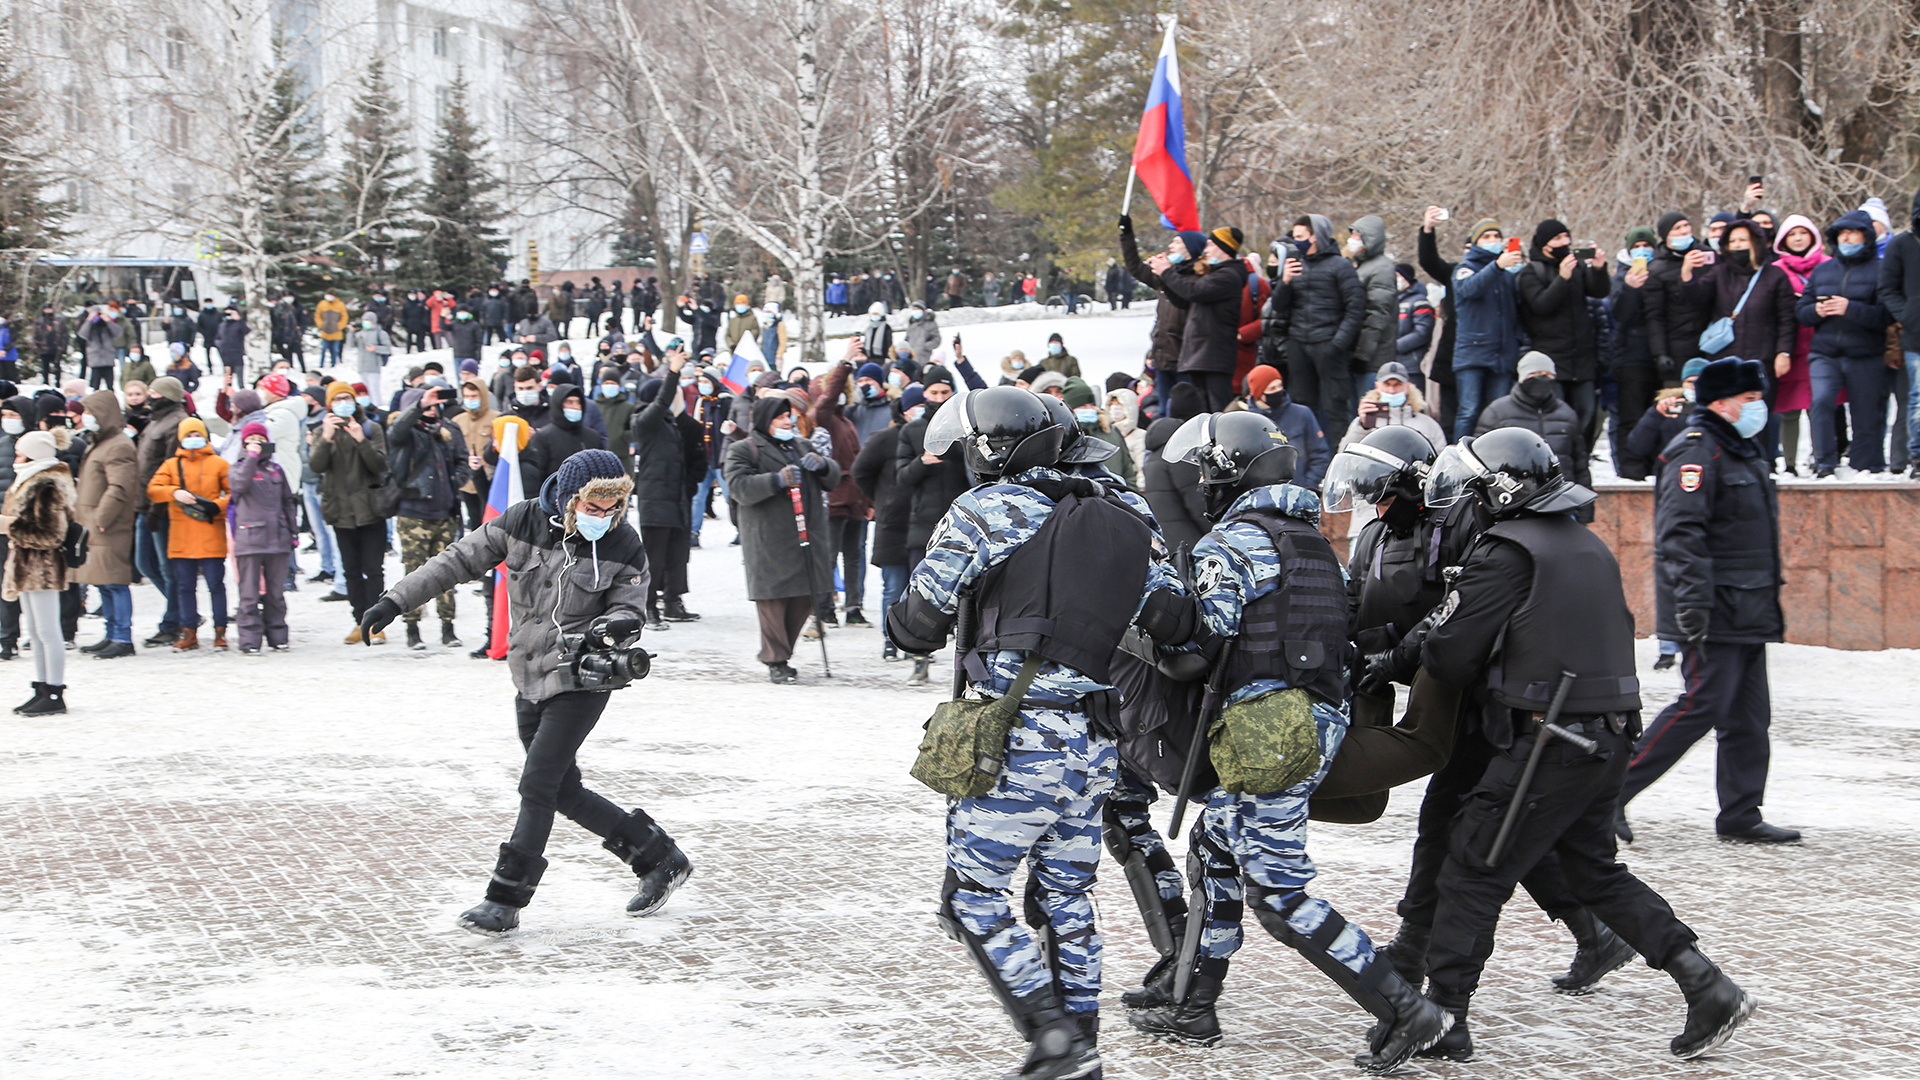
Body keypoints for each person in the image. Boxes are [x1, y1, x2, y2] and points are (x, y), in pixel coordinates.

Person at [1416, 427, 1755, 1062]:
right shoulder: (1585, 544)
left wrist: (1433, 632)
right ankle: (1706, 984)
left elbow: (1452, 657)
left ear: (1495, 490)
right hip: (1607, 738)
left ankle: (1443, 1018)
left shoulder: (1505, 552)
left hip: (1549, 740)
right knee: (1591, 871)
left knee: (1473, 866)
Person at [1130, 410, 1449, 1072]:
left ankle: (1404, 1011)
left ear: (1226, 474)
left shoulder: (1236, 544)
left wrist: (1151, 612)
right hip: (1313, 726)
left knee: (1279, 894)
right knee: (1215, 845)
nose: (1199, 485)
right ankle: (1194, 1001)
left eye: (1205, 472)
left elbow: (1196, 650)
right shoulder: (1311, 544)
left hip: (1267, 737)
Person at [887, 385, 1177, 1080]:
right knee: (1066, 897)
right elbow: (1176, 620)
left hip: (1019, 739)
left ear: (988, 449)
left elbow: (915, 623)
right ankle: (1084, 1042)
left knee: (973, 896)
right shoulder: (1128, 512)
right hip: (1097, 737)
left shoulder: (985, 510)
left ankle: (1054, 1040)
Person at [361, 448, 689, 931]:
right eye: (592, 508)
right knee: (563, 790)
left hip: (583, 677)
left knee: (537, 785)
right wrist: (395, 601)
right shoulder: (521, 522)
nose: (603, 518)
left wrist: (613, 627)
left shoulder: (623, 543)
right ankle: (659, 858)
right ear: (569, 499)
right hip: (529, 673)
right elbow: (456, 560)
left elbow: (630, 605)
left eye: (611, 509)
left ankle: (505, 899)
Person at [1617, 357, 1796, 845]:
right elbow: (1680, 535)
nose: (1760, 408)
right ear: (1720, 403)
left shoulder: (1742, 450)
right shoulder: (1696, 452)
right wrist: (1692, 604)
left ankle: (1741, 813)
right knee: (1700, 705)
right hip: (1711, 607)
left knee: (1749, 715)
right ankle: (1607, 792)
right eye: (1750, 400)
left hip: (1748, 607)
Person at [723, 392, 840, 683]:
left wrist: (824, 464)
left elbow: (833, 478)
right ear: (766, 420)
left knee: (805, 596)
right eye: (781, 417)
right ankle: (776, 659)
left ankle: (779, 651)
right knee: (773, 601)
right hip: (769, 539)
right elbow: (738, 487)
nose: (788, 421)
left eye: (789, 416)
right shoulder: (744, 449)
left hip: (806, 533)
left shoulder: (801, 445)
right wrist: (775, 480)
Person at [1798, 209, 1891, 475]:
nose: (1847, 239)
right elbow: (1802, 312)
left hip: (1866, 354)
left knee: (1865, 414)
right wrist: (1817, 311)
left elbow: (1885, 316)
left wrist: (1849, 308)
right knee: (1822, 402)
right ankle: (1825, 462)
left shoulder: (1881, 270)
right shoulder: (1823, 270)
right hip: (1825, 353)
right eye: (1842, 234)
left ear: (1866, 237)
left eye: (1853, 233)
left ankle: (1862, 466)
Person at [388, 386, 471, 650]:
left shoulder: (447, 431)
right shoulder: (406, 432)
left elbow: (463, 460)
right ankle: (412, 628)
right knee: (414, 574)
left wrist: (452, 482)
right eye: (427, 406)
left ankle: (448, 627)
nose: (432, 410)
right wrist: (419, 406)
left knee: (448, 573)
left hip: (445, 513)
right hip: (414, 515)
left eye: (435, 405)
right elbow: (396, 432)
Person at [1265, 216, 1366, 430]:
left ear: (1315, 236)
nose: (1296, 241)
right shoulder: (1294, 265)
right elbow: (1279, 306)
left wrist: (1337, 344)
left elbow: (1355, 308)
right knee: (1301, 406)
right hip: (1299, 344)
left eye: (1301, 236)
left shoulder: (1340, 266)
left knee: (1336, 407)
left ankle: (1338, 455)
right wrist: (1284, 282)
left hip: (1329, 344)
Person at [311, 382, 390, 644]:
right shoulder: (323, 431)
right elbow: (316, 466)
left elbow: (379, 464)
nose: (343, 403)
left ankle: (376, 623)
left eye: (347, 398)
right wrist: (325, 437)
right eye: (337, 399)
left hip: (370, 510)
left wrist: (360, 440)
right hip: (341, 512)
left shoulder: (371, 428)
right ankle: (360, 621)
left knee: (373, 568)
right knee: (351, 570)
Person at [145, 416, 230, 651]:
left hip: (210, 531)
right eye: (189, 436)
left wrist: (217, 506)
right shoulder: (172, 465)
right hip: (181, 534)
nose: (194, 439)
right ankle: (189, 631)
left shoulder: (219, 464)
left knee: (216, 585)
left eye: (197, 435)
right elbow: (153, 489)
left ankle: (220, 631)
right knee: (184, 586)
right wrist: (174, 492)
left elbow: (233, 493)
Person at [5, 431, 75, 713]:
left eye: (21, 453)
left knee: (48, 630)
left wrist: (8, 526)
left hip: (42, 566)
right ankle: (42, 687)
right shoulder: (27, 479)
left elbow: (51, 534)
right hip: (26, 563)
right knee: (34, 630)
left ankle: (55, 692)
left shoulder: (46, 484)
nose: (15, 458)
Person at [630, 353, 698, 628]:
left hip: (676, 499)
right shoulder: (643, 422)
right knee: (654, 558)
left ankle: (673, 602)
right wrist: (673, 373)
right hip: (655, 500)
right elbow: (660, 403)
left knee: (677, 554)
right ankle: (647, 607)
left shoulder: (671, 426)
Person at [1152, 227, 1250, 413]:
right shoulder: (1215, 273)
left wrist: (1166, 272)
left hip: (1214, 355)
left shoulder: (1228, 275)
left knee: (1217, 410)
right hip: (1200, 354)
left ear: (1223, 248)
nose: (1206, 250)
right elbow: (1184, 299)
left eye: (1211, 245)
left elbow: (1194, 292)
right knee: (1202, 411)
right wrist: (1164, 277)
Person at [1475, 351, 1591, 507]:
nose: (1542, 379)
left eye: (1547, 374)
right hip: (1514, 505)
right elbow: (1477, 463)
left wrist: (1585, 508)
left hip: (1561, 503)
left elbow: (1580, 464)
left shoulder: (1567, 414)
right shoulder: (1497, 413)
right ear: (1523, 377)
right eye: (1535, 374)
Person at [72, 392, 139, 659]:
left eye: (89, 411)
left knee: (114, 581)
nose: (86, 417)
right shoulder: (100, 443)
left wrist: (102, 517)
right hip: (92, 523)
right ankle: (111, 632)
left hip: (107, 524)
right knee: (102, 581)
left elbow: (120, 486)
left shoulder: (118, 445)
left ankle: (122, 636)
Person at [810, 355, 873, 626]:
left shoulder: (847, 424)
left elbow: (860, 464)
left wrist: (867, 498)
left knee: (854, 557)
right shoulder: (822, 418)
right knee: (829, 557)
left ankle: (853, 607)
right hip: (834, 499)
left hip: (855, 500)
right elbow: (827, 399)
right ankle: (824, 608)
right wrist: (845, 365)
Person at [227, 422, 298, 654]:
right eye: (251, 439)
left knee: (276, 594)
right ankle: (249, 640)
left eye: (260, 438)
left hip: (278, 539)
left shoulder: (276, 470)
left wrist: (292, 532)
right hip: (250, 539)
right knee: (249, 594)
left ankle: (278, 636)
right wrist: (251, 457)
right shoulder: (238, 467)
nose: (256, 443)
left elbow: (288, 501)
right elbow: (238, 485)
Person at [1118, 216, 1199, 377]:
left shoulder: (1198, 280)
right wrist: (1126, 235)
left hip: (1186, 358)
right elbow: (1135, 267)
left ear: (1190, 248)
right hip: (1162, 356)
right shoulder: (1166, 277)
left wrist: (1166, 271)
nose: (1171, 246)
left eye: (1177, 242)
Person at [1242, 364, 1332, 490]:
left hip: (1299, 492)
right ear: (1258, 393)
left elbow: (1320, 455)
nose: (1278, 391)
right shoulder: (1246, 422)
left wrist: (1308, 486)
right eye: (1272, 388)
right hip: (1260, 496)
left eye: (1280, 385)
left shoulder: (1302, 414)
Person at [1881, 187, 1920, 478]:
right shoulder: (1902, 245)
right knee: (1917, 398)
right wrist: (1908, 315)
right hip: (1917, 335)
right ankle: (1917, 456)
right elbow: (1888, 288)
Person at [1338, 361, 1446, 451]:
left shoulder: (1427, 423)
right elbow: (1344, 453)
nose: (1392, 390)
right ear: (1377, 386)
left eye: (1397, 384)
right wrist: (1363, 427)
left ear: (1407, 386)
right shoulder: (1365, 422)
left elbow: (1441, 460)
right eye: (1387, 384)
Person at [1348, 215, 1400, 402]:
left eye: (1356, 235)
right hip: (1363, 355)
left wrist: (1362, 355)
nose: (1351, 240)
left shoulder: (1381, 269)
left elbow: (1378, 314)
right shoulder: (1364, 267)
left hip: (1373, 359)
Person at [521, 385, 605, 497]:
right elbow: (537, 476)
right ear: (559, 405)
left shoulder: (592, 437)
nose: (575, 407)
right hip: (554, 501)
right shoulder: (543, 437)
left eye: (578, 402)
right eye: (569, 402)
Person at [1393, 262, 1435, 377]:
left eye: (1397, 276)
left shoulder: (1420, 302)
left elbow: (1422, 333)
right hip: (1393, 363)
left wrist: (1395, 346)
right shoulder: (1393, 301)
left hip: (1412, 364)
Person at [348, 313, 394, 404]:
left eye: (368, 320)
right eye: (364, 320)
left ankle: (377, 405)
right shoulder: (360, 333)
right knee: (366, 389)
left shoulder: (380, 333)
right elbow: (351, 345)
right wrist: (351, 332)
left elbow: (387, 349)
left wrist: (376, 348)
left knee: (374, 388)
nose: (365, 322)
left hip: (374, 365)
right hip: (362, 365)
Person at [215, 306, 248, 377]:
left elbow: (246, 331)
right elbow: (218, 337)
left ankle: (241, 388)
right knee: (228, 375)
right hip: (225, 353)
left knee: (239, 374)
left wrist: (239, 320)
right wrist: (220, 345)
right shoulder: (222, 325)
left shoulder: (239, 324)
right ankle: (228, 387)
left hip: (237, 352)